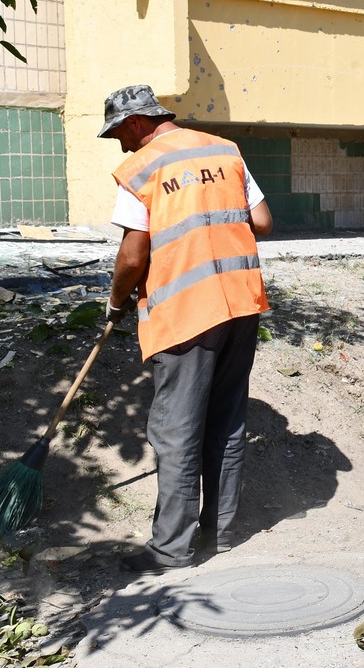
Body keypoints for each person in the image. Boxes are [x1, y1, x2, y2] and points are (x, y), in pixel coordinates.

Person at [100, 85, 273, 574]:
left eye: (118, 133)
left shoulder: (143, 166)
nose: (120, 145)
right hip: (240, 304)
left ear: (136, 122)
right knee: (226, 422)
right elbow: (261, 220)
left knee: (176, 430)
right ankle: (218, 535)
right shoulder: (224, 150)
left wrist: (115, 302)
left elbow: (134, 255)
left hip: (186, 312)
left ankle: (171, 550)